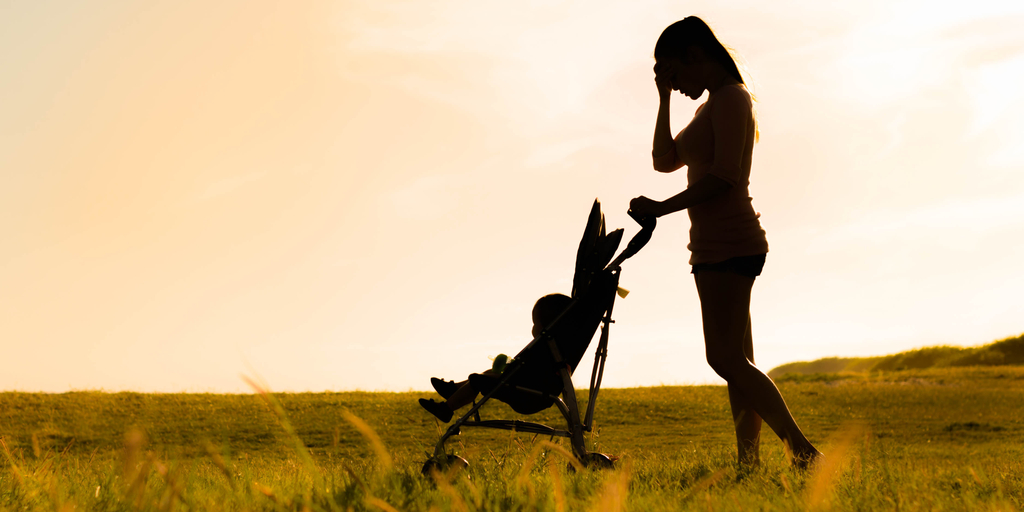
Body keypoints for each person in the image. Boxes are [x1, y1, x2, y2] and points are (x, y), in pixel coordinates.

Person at [628, 17, 822, 467]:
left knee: (724, 358)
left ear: (695, 55)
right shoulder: (708, 107)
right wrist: (662, 98)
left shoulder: (732, 98)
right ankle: (749, 464)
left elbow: (725, 177)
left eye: (674, 73)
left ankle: (803, 451)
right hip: (712, 245)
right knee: (738, 361)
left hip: (732, 242)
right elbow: (663, 160)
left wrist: (660, 208)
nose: (676, 86)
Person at [419, 293, 573, 423]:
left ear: (547, 325)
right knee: (488, 374)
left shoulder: (547, 348)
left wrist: (511, 365)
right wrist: (510, 364)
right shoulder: (557, 349)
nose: (532, 328)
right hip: (532, 389)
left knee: (478, 380)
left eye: (535, 323)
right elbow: (532, 369)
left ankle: (447, 409)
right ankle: (454, 390)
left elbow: (533, 370)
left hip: (529, 395)